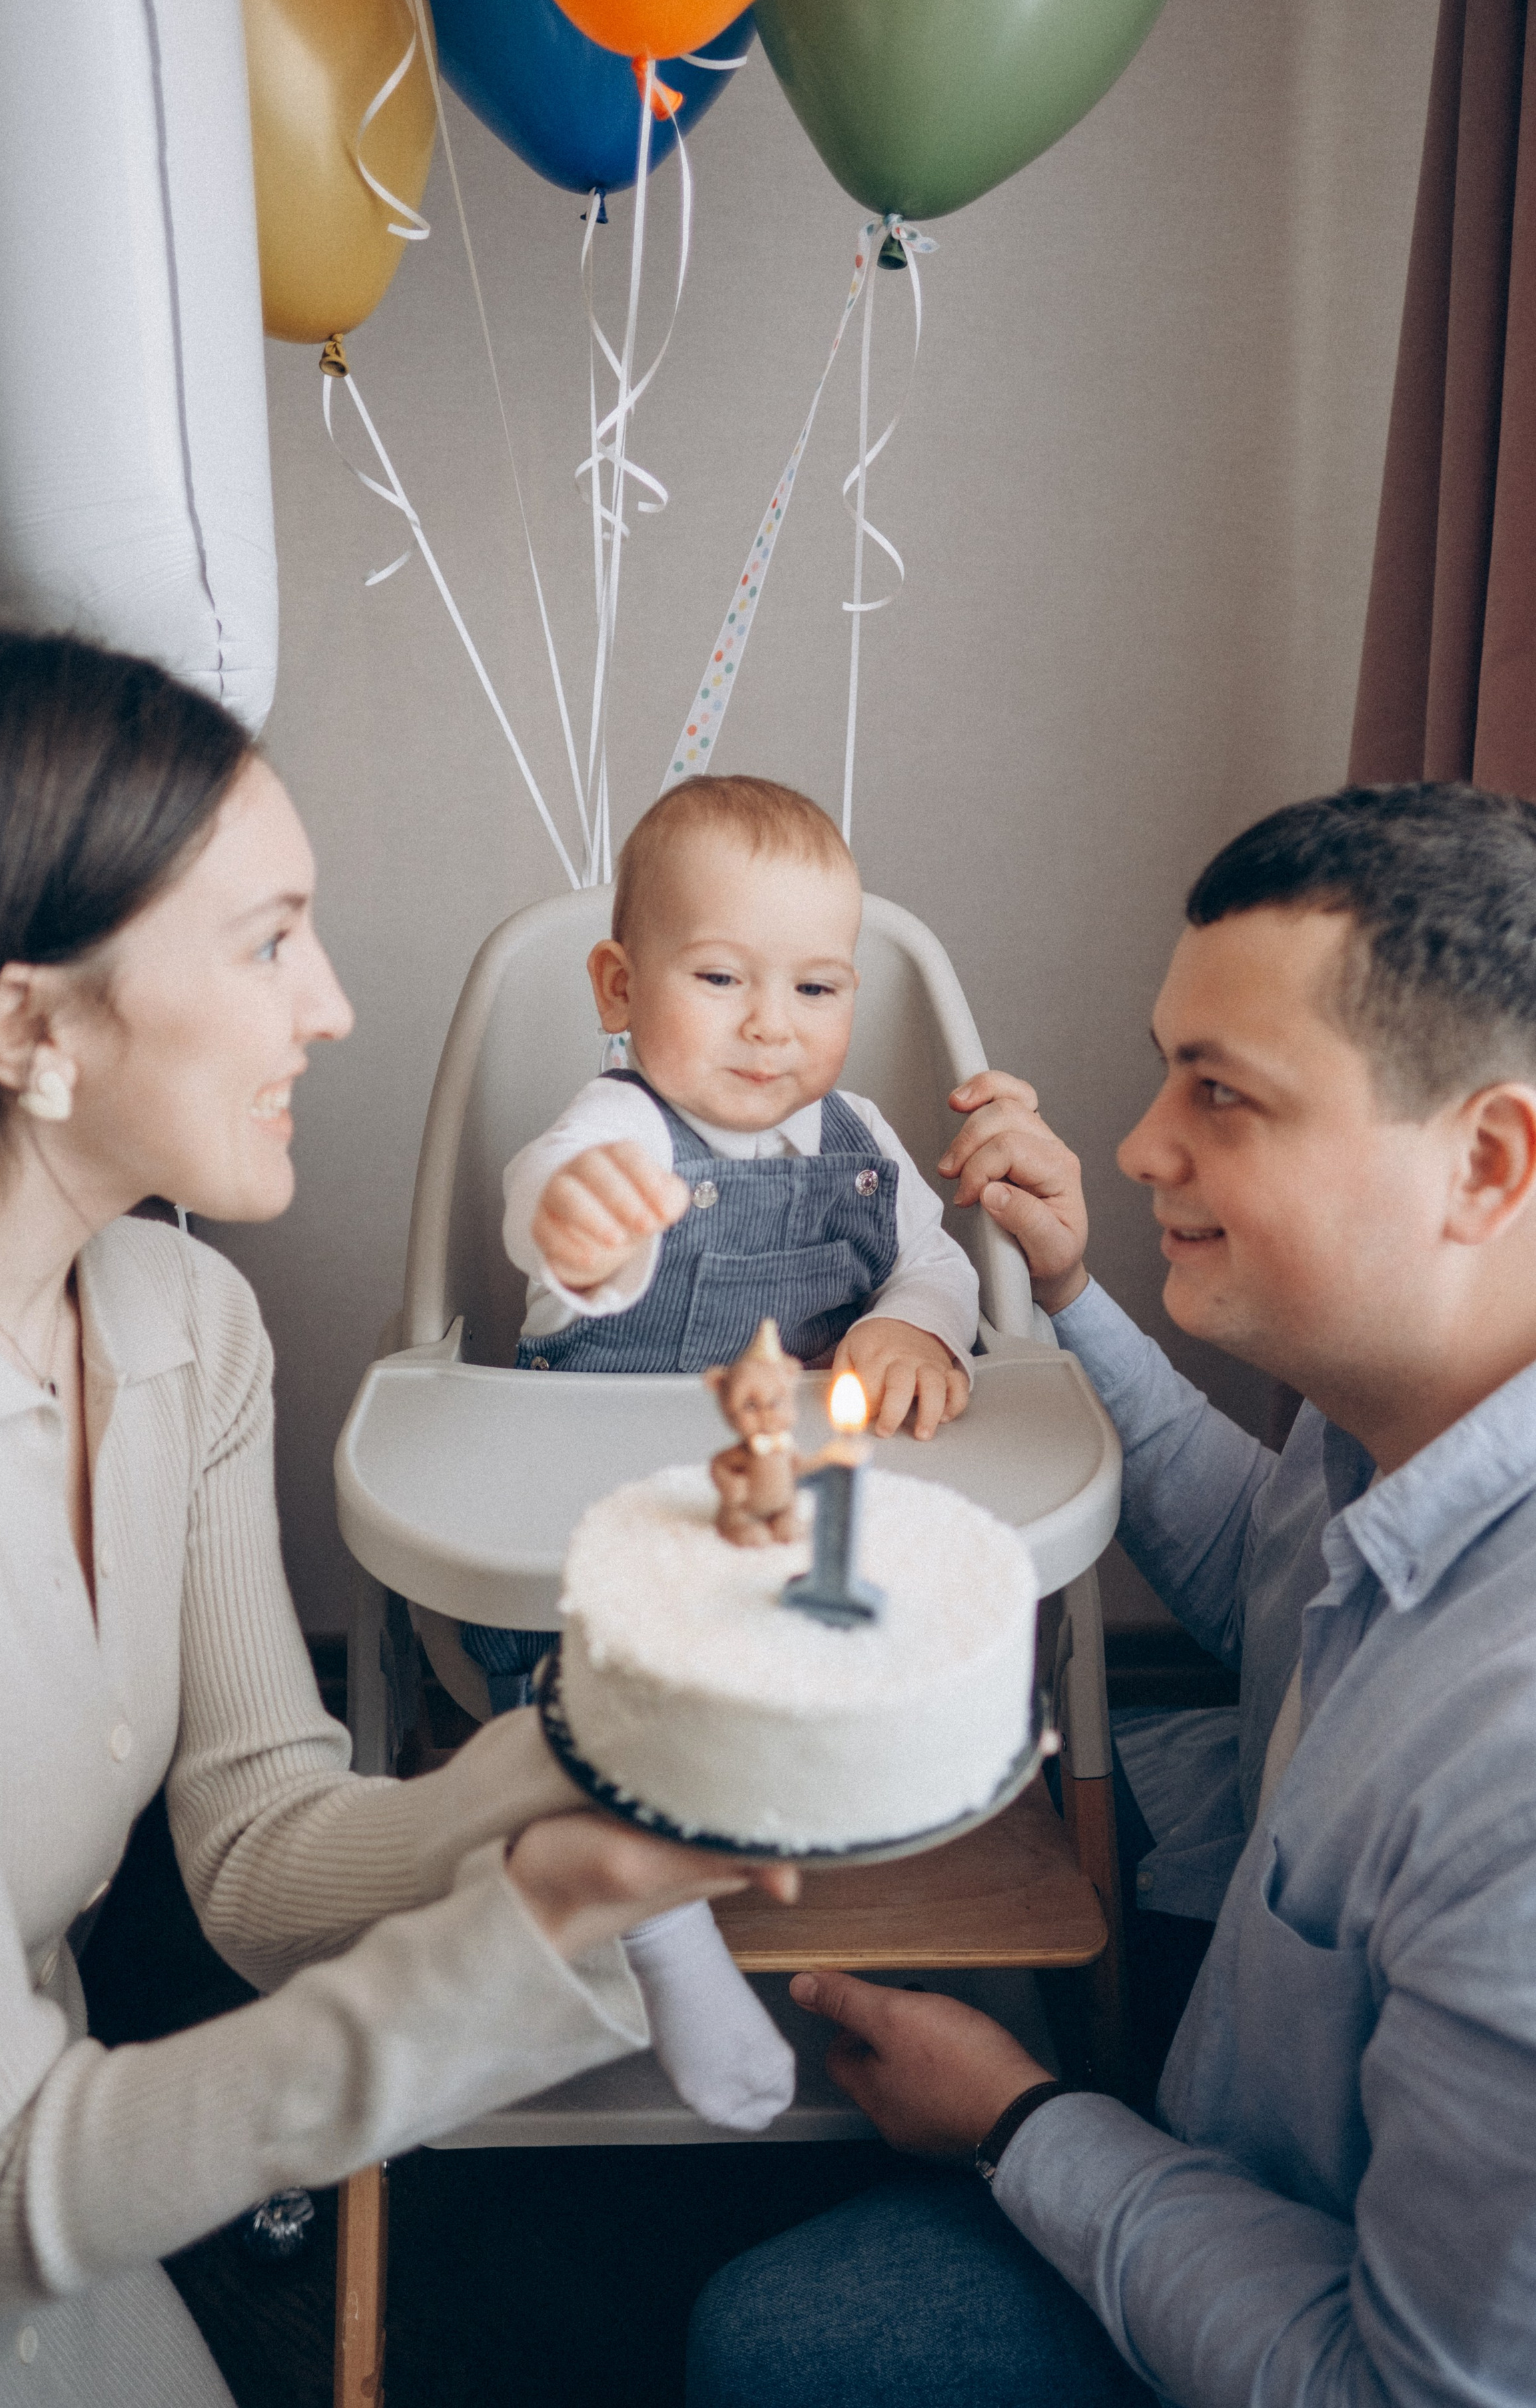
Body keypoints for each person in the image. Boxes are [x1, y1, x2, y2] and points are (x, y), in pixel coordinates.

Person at [0, 623, 797, 2408]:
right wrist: (526, 1934)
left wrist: (596, 1750)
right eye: (270, 939)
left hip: (69, 2243)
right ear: (26, 1021)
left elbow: (264, 1851)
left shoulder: (180, 1325)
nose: (332, 1002)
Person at [688, 783, 1536, 2408]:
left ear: (1484, 1161)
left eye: (1219, 1097)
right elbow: (1257, 1588)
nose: (1143, 1143)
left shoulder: (1509, 1780)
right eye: (1166, 1071)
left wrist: (1021, 2124)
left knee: (784, 2339)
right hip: (1238, 2080)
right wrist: (1066, 1292)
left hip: (1307, 2300)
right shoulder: (1398, 1420)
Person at [462, 775, 981, 2134]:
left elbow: (934, 1265)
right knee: (596, 1692)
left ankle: (793, 1804)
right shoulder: (621, 1132)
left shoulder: (861, 1142)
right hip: (623, 1518)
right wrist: (572, 1225)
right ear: (619, 983)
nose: (771, 1024)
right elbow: (549, 1186)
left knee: (900, 1627)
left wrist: (912, 1327)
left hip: (794, 1511)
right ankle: (662, 1932)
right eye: (720, 976)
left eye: (817, 988)